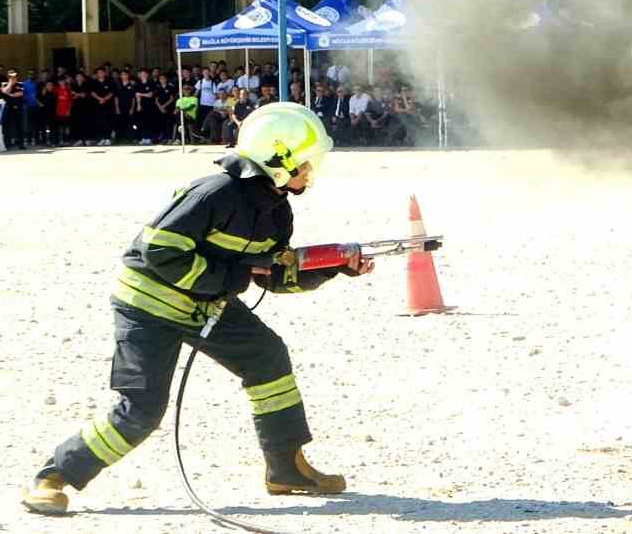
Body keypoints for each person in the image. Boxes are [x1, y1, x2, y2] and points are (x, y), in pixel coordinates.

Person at [20, 103, 371, 516]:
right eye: (306, 164)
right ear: (279, 161)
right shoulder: (213, 194)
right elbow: (159, 252)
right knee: (142, 411)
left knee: (267, 357)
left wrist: (330, 268)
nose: (311, 172)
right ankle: (53, 476)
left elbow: (270, 276)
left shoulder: (276, 210)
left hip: (206, 305)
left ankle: (285, 469)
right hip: (150, 307)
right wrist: (231, 275)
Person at [131, 69, 157, 146]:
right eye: (141, 74)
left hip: (150, 105)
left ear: (147, 74)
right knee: (142, 122)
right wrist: (138, 105)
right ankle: (144, 138)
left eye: (144, 74)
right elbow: (136, 95)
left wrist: (141, 94)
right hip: (142, 106)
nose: (142, 75)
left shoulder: (151, 83)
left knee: (149, 122)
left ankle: (149, 138)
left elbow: (150, 95)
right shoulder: (137, 84)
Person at [2, 69, 26, 149]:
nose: (14, 78)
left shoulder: (20, 84)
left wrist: (10, 94)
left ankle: (21, 144)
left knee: (19, 126)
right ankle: (7, 144)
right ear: (8, 77)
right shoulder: (4, 84)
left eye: (15, 76)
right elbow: (5, 92)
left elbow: (20, 94)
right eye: (11, 76)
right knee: (7, 127)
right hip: (8, 108)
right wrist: (10, 84)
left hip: (18, 108)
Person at [53, 73, 75, 147]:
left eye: (62, 81)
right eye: (60, 81)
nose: (61, 82)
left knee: (66, 128)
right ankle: (59, 141)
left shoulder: (68, 89)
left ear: (64, 81)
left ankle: (66, 141)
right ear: (58, 82)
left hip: (66, 112)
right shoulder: (56, 89)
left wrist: (69, 111)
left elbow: (71, 102)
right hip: (58, 112)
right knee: (59, 128)